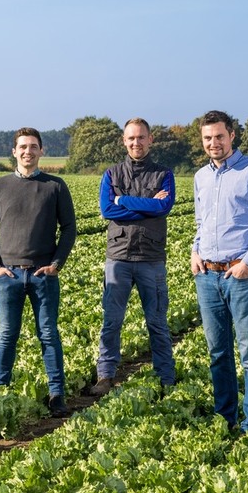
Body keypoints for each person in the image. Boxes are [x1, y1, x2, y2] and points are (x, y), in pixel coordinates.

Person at [191, 110, 248, 433]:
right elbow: (201, 223)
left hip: (240, 275)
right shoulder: (201, 177)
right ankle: (224, 417)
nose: (213, 143)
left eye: (219, 136)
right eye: (207, 138)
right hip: (207, 276)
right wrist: (194, 252)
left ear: (232, 135)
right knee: (218, 352)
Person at [0, 127, 77, 417]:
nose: (28, 151)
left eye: (33, 147)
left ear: (41, 151)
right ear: (14, 151)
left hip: (42, 275)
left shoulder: (55, 186)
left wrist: (56, 264)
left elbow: (70, 228)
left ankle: (57, 393)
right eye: (22, 147)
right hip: (8, 275)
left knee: (48, 333)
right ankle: (0, 391)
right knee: (7, 334)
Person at [92, 117, 177, 397]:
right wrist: (146, 206)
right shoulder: (112, 174)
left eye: (141, 138)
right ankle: (105, 376)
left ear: (150, 140)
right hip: (118, 257)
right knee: (112, 321)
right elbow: (107, 210)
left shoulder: (164, 173)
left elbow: (163, 207)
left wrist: (123, 200)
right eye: (131, 138)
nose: (136, 143)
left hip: (151, 258)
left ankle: (166, 376)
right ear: (124, 141)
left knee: (157, 321)